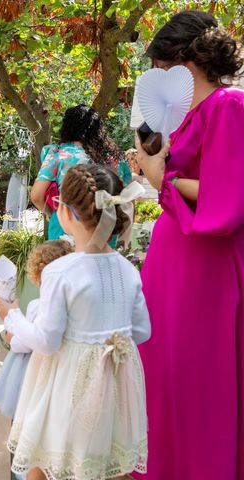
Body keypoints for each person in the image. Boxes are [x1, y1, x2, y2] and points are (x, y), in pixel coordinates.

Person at [134, 11, 244, 480]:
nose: (158, 75)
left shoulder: (228, 105)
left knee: (198, 378)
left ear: (184, 61)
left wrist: (162, 176)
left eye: (161, 64)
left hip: (205, 265)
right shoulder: (191, 115)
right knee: (166, 374)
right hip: (174, 259)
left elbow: (230, 194)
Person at [0, 164, 149, 480]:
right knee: (110, 464)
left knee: (46, 460)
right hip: (116, 389)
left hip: (69, 385)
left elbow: (47, 340)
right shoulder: (128, 271)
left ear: (65, 211)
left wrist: (12, 317)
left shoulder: (61, 272)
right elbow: (142, 332)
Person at [0, 239, 73, 419]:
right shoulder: (72, 304)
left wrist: (9, 331)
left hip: (32, 372)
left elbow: (23, 344)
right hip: (62, 372)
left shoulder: (39, 305)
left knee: (25, 416)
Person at [30, 105, 131, 240]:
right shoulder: (115, 159)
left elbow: (36, 196)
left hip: (66, 228)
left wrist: (52, 213)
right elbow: (128, 198)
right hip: (106, 227)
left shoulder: (59, 154)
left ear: (67, 127)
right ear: (99, 129)